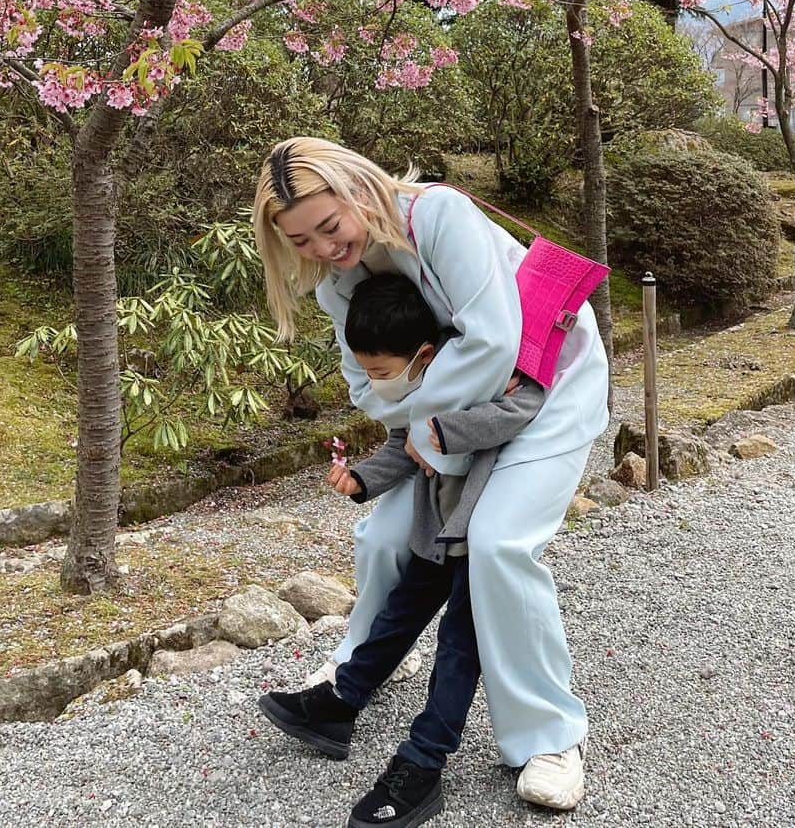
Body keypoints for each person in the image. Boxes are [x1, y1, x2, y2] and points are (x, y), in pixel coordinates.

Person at [253, 137, 611, 811]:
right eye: (302, 241)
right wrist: (429, 421)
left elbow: (497, 342)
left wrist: (422, 416)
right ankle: (352, 677)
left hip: (547, 388)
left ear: (359, 189)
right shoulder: (338, 284)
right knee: (385, 535)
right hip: (445, 423)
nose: (324, 249)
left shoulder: (437, 215)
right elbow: (366, 389)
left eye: (330, 227)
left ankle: (549, 735)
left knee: (500, 544)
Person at [259, 272, 546, 828]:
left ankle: (423, 761)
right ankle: (341, 704)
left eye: (382, 373)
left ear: (424, 354)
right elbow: (403, 444)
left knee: (458, 648)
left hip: (481, 535)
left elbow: (523, 407)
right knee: (396, 617)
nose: (375, 384)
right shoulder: (422, 384)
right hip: (437, 531)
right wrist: (361, 480)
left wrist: (444, 429)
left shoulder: (494, 373)